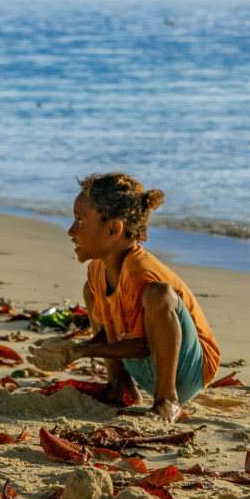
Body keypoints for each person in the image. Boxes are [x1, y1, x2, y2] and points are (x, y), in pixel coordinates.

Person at [59, 173, 221, 423]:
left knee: (159, 294)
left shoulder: (140, 272)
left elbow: (144, 344)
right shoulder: (97, 270)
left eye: (80, 220)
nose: (71, 230)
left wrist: (82, 350)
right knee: (89, 290)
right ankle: (119, 384)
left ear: (113, 229)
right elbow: (115, 335)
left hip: (189, 370)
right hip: (147, 369)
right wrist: (72, 349)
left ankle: (167, 399)